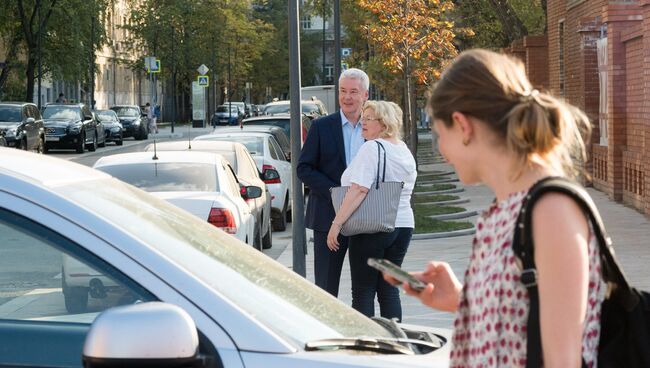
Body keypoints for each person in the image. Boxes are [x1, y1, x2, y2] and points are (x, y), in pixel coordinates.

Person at [384, 49, 605, 367]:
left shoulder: (551, 210)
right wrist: (463, 299)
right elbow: (523, 320)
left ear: (462, 125)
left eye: (438, 134)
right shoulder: (505, 210)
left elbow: (563, 359)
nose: (441, 150)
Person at [326, 101, 416, 321]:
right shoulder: (403, 149)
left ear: (383, 123)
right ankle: (394, 339)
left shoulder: (372, 148)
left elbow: (358, 189)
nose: (363, 123)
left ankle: (366, 344)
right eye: (363, 118)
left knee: (363, 290)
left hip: (372, 227)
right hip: (403, 225)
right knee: (389, 289)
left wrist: (336, 224)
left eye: (369, 119)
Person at [297, 68, 369, 297]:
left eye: (353, 92)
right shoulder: (321, 127)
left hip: (366, 217)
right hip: (327, 217)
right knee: (326, 290)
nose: (347, 97)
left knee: (365, 289)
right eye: (343, 91)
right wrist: (334, 191)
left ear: (365, 95)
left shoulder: (375, 128)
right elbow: (303, 168)